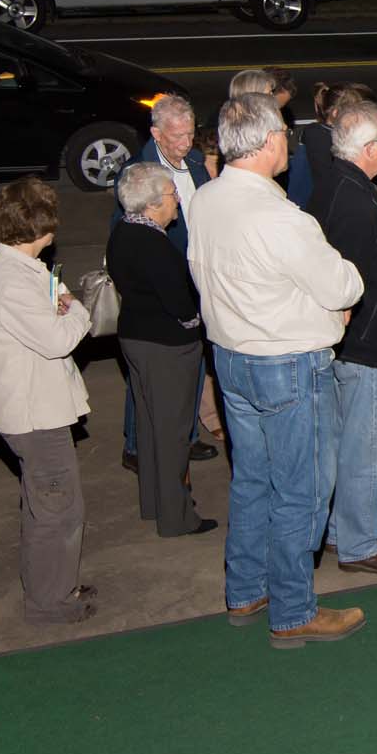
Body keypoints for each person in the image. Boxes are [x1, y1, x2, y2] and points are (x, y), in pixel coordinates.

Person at [188, 93, 368, 648]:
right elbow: (343, 284)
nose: (288, 143)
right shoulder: (281, 217)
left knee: (252, 479)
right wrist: (333, 304)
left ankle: (246, 588)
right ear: (269, 142)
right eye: (284, 135)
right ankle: (293, 609)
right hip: (287, 364)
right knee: (302, 490)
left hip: (230, 358)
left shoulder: (205, 199)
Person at [0, 176, 96, 624]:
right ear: (39, 227)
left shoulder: (26, 268)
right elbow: (57, 339)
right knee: (58, 511)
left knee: (45, 505)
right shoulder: (12, 281)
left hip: (38, 409)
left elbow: (51, 307)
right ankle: (49, 602)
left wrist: (59, 302)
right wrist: (79, 309)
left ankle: (54, 585)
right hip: (34, 417)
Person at [306, 100, 377, 575]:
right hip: (366, 347)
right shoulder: (354, 203)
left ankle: (342, 528)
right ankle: (359, 543)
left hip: (348, 344)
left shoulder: (337, 185)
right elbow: (347, 283)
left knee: (342, 439)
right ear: (369, 148)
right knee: (367, 446)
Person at [108, 163, 215, 538]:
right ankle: (177, 517)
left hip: (135, 338)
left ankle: (154, 502)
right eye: (172, 194)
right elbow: (180, 304)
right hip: (167, 348)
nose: (178, 200)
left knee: (151, 426)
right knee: (173, 434)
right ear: (153, 203)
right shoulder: (154, 246)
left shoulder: (123, 232)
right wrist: (197, 323)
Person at [112, 94, 216, 472]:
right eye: (177, 136)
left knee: (194, 362)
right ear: (156, 133)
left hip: (197, 275)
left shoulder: (195, 162)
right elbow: (124, 232)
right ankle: (135, 444)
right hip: (161, 283)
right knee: (149, 374)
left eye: (190, 134)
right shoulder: (137, 173)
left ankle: (185, 435)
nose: (186, 143)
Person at [286, 81, 375, 208]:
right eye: (355, 114)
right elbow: (329, 182)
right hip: (310, 207)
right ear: (336, 113)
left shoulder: (319, 132)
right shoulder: (321, 136)